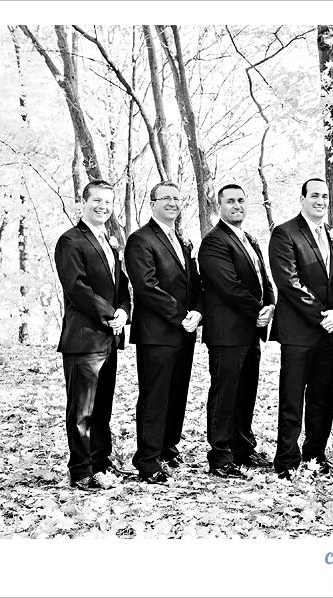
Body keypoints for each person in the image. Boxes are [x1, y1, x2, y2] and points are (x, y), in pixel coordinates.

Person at [268, 178, 333, 479]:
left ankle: (316, 453)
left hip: (329, 331)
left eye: (325, 196)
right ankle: (287, 458)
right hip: (299, 331)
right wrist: (322, 315)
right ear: (302, 198)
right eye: (314, 195)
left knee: (323, 396)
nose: (320, 201)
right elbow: (289, 283)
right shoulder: (285, 233)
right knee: (293, 396)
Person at [125, 181, 203, 485]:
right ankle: (147, 460)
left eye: (176, 197)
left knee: (177, 394)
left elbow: (195, 283)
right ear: (152, 203)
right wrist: (181, 315)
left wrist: (197, 312)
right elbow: (146, 287)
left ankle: (168, 449)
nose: (172, 202)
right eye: (165, 198)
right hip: (157, 332)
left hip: (185, 330)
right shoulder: (140, 239)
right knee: (155, 396)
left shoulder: (182, 241)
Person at [55, 179, 131, 491]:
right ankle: (81, 472)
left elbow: (121, 284)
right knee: (82, 410)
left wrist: (124, 311)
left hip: (110, 337)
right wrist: (109, 314)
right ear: (82, 203)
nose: (102, 206)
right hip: (84, 338)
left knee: (102, 409)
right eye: (96, 201)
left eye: (108, 202)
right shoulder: (71, 240)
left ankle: (101, 464)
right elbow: (76, 287)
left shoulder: (111, 240)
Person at [198, 184, 276, 479]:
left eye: (241, 200)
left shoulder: (250, 240)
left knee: (246, 391)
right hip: (227, 332)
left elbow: (263, 279)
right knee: (225, 393)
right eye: (230, 201)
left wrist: (270, 305)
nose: (237, 205)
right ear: (220, 206)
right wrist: (258, 310)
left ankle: (243, 447)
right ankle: (220, 456)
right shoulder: (214, 242)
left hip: (251, 330)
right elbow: (228, 286)